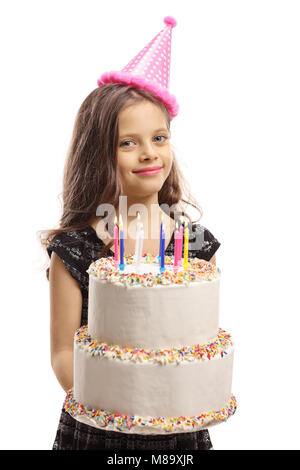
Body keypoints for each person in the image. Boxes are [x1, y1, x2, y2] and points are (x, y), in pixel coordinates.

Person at [39, 17, 221, 450]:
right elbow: (64, 352)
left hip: (180, 426)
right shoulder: (76, 249)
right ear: (99, 155)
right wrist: (111, 400)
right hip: (98, 428)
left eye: (159, 138)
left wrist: (173, 401)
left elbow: (199, 344)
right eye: (127, 143)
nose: (148, 153)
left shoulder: (196, 245)